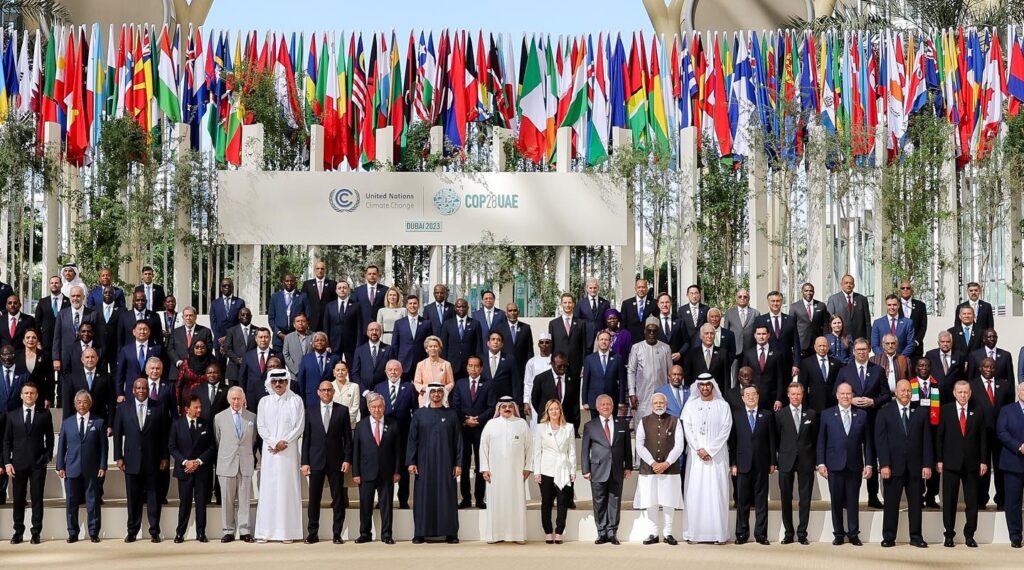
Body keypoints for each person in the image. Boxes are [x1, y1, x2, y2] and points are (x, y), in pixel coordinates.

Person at [875, 379, 933, 548]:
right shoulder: (885, 412)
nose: (906, 393)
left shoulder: (921, 412)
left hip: (915, 467)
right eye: (902, 390)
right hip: (893, 467)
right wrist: (884, 464)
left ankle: (916, 537)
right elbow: (881, 441)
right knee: (891, 504)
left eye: (908, 390)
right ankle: (888, 536)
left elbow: (926, 441)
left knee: (916, 505)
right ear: (896, 392)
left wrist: (927, 464)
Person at [817, 382, 874, 546]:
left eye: (848, 394)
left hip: (855, 465)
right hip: (834, 465)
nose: (845, 396)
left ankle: (854, 534)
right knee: (835, 501)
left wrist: (869, 464)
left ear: (852, 395)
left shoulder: (862, 415)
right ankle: (839, 534)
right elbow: (821, 440)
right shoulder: (827, 414)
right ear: (837, 395)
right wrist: (821, 463)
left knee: (852, 500)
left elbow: (868, 442)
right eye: (842, 394)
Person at [836, 338, 891, 508]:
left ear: (869, 351)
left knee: (871, 457)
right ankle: (845, 497)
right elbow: (835, 393)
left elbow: (887, 395)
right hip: (850, 419)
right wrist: (850, 400)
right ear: (853, 352)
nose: (861, 352)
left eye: (864, 349)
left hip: (873, 419)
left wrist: (873, 401)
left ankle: (872, 496)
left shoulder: (878, 370)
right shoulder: (845, 371)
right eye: (858, 350)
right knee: (848, 455)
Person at [113, 378, 169, 542]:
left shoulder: (158, 407)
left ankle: (154, 531)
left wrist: (165, 456)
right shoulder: (123, 408)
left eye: (144, 388)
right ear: (133, 390)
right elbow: (117, 434)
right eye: (138, 388)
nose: (141, 390)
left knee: (153, 497)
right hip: (131, 460)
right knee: (133, 498)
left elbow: (164, 435)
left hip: (153, 459)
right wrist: (118, 457)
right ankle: (132, 531)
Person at [407, 383, 463, 544]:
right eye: (433, 392)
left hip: (446, 464)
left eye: (439, 392)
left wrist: (458, 463)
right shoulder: (419, 414)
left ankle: (450, 533)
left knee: (447, 496)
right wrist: (411, 461)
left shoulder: (451, 414)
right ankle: (420, 533)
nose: (436, 394)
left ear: (443, 394)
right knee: (423, 497)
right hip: (424, 464)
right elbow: (412, 440)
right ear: (428, 394)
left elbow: (458, 441)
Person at [254, 370, 305, 543]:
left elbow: (299, 426)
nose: (278, 384)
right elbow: (261, 426)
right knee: (269, 491)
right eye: (274, 381)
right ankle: (264, 532)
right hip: (270, 453)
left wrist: (285, 442)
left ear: (287, 381)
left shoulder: (296, 400)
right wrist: (274, 443)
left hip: (289, 452)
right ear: (270, 383)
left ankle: (287, 532)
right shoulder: (264, 401)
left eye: (281, 381)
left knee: (287, 490)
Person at [681, 374, 732, 544]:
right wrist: (699, 449)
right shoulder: (690, 406)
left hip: (717, 457)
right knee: (695, 492)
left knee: (717, 493)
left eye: (708, 385)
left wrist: (710, 449)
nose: (704, 388)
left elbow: (726, 430)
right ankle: (694, 533)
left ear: (713, 386)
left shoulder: (723, 406)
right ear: (697, 387)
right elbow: (687, 429)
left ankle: (718, 534)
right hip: (696, 458)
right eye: (701, 385)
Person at [937, 380, 988, 548]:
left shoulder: (978, 410)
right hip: (950, 463)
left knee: (972, 501)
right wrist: (939, 460)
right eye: (960, 392)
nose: (963, 395)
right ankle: (949, 535)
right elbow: (939, 438)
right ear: (954, 393)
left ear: (970, 393)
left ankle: (969, 535)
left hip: (972, 464)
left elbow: (983, 439)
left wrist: (983, 461)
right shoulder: (945, 410)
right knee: (949, 501)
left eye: (966, 392)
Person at [301, 380, 353, 544]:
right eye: (323, 390)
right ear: (318, 392)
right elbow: (306, 439)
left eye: (329, 390)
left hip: (336, 461)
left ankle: (337, 533)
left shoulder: (342, 411)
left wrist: (347, 459)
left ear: (333, 392)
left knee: (338, 499)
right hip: (315, 461)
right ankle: (312, 533)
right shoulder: (310, 411)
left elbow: (347, 439)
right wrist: (305, 462)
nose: (326, 393)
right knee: (314, 499)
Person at [3, 382, 54, 544]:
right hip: (17, 464)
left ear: (37, 395)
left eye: (32, 393)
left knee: (37, 498)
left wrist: (47, 456)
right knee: (18, 499)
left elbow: (50, 439)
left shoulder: (44, 414)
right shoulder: (12, 415)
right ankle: (18, 531)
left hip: (38, 464)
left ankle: (36, 532)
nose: (29, 396)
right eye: (26, 393)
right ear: (21, 395)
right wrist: (7, 463)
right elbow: (6, 442)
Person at [56, 390, 107, 543]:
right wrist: (60, 466)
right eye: (79, 402)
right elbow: (61, 446)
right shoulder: (67, 423)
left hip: (92, 469)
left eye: (85, 402)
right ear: (74, 404)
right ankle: (73, 532)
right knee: (71, 502)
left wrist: (103, 465)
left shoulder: (98, 422)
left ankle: (93, 532)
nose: (82, 405)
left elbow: (104, 448)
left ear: (90, 404)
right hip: (71, 468)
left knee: (93, 502)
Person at [479, 396, 532, 544]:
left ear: (514, 407)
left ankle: (517, 535)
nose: (507, 409)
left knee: (516, 502)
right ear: (499, 408)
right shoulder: (491, 424)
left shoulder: (521, 424)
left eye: (510, 406)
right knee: (496, 502)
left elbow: (530, 448)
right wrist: (485, 469)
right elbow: (483, 448)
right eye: (504, 407)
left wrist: (528, 467)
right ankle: (495, 535)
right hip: (494, 473)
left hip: (516, 473)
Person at [634, 392, 684, 546]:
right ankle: (653, 533)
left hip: (670, 469)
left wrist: (666, 463)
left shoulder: (675, 421)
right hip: (649, 470)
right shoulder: (643, 421)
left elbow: (679, 445)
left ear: (666, 404)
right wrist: (652, 463)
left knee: (669, 501)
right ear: (651, 405)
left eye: (661, 402)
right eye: (655, 403)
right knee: (651, 500)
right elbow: (639, 445)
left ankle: (668, 533)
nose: (658, 405)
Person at [352, 392, 402, 544]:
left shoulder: (393, 424)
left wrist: (397, 471)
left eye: (380, 406)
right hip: (366, 473)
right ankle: (365, 533)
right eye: (373, 407)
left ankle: (386, 534)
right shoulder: (361, 425)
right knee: (365, 505)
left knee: (386, 506)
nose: (377, 410)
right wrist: (356, 473)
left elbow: (398, 450)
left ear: (384, 408)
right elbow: (356, 451)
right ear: (368, 408)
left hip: (387, 472)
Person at [730, 384, 776, 545]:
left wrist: (772, 462)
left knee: (761, 500)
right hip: (742, 465)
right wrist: (733, 463)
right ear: (742, 398)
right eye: (747, 395)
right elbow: (733, 441)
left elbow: (772, 440)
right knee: (742, 501)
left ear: (758, 396)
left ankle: (761, 534)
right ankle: (741, 533)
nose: (750, 397)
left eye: (753, 394)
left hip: (762, 464)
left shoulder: (767, 415)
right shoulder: (736, 415)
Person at [774, 382, 818, 545]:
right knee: (786, 498)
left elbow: (815, 439)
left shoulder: (811, 414)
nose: (796, 397)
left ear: (803, 394)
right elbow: (777, 438)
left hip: (806, 461)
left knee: (805, 498)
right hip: (786, 461)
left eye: (798, 394)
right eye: (793, 394)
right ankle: (788, 532)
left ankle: (802, 533)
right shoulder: (780, 415)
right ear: (788, 395)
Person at [168, 395, 215, 543]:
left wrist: (198, 462)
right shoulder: (177, 424)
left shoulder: (205, 424)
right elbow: (172, 447)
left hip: (201, 470)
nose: (199, 410)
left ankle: (201, 533)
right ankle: (180, 533)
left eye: (200, 407)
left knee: (201, 503)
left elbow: (211, 447)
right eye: (196, 407)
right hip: (184, 471)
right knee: (185, 502)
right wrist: (185, 462)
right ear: (187, 409)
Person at [969, 356, 1013, 510]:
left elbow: (1009, 410)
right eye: (985, 367)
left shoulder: (1005, 385)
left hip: (1001, 434)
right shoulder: (972, 385)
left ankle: (1001, 499)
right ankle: (981, 499)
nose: (988, 370)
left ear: (996, 369)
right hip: (981, 434)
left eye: (991, 367)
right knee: (982, 466)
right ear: (980, 368)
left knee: (1001, 467)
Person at [214, 387, 256, 543]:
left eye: (239, 399)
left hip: (245, 462)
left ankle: (245, 530)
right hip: (226, 463)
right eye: (233, 399)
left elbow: (253, 440)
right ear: (228, 399)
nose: (236, 402)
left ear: (244, 399)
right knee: (227, 500)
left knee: (245, 499)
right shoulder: (219, 417)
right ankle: (228, 531)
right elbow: (219, 439)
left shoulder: (252, 417)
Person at [451, 355, 493, 509]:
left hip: (481, 429)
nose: (473, 369)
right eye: (470, 366)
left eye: (476, 366)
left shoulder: (488, 384)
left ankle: (480, 498)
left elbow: (491, 406)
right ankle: (466, 498)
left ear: (481, 368)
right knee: (464, 462)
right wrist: (465, 420)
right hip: (464, 429)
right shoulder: (460, 384)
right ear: (467, 367)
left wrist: (478, 419)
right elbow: (455, 406)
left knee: (481, 463)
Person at [374, 360, 418, 509]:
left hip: (405, 433)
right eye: (390, 370)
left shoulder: (409, 387)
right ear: (386, 372)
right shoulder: (378, 387)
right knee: (383, 466)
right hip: (384, 433)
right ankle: (382, 500)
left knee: (404, 467)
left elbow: (415, 410)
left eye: (396, 369)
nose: (393, 372)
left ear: (401, 371)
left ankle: (403, 499)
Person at [532, 399, 576, 544]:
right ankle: (548, 531)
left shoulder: (568, 427)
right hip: (546, 469)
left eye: (556, 408)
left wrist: (573, 470)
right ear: (547, 411)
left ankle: (559, 532)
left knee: (563, 502)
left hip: (563, 468)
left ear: (560, 411)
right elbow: (537, 451)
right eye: (551, 409)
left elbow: (572, 451)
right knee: (546, 502)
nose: (554, 411)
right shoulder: (540, 428)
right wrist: (536, 471)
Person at [996, 382, 1024, 548]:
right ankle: (1015, 536)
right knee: (1013, 503)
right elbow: (1001, 432)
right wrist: (1018, 446)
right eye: (1022, 389)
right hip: (1013, 463)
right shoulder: (1007, 410)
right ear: (1018, 391)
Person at [627, 316, 672, 418]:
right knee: (641, 424)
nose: (651, 333)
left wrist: (670, 393)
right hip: (642, 394)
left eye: (654, 331)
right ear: (645, 331)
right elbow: (631, 371)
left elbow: (670, 372)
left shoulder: (665, 348)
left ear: (658, 332)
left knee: (661, 423)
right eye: (649, 330)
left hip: (661, 393)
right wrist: (631, 393)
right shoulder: (636, 348)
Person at [51, 285, 96, 377]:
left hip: (87, 358)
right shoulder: (61, 314)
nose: (75, 298)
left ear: (83, 297)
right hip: (66, 358)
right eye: (73, 296)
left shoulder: (93, 314)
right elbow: (57, 338)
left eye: (78, 296)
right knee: (64, 386)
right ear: (70, 297)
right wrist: (56, 358)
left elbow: (97, 337)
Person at [739, 324, 786, 411]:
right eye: (759, 334)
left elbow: (780, 378)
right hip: (753, 397)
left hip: (772, 398)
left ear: (768, 335)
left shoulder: (777, 354)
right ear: (755, 335)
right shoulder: (748, 354)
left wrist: (779, 399)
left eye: (763, 334)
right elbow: (744, 377)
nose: (761, 336)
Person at [113, 320, 162, 402]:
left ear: (149, 332)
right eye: (140, 329)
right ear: (134, 332)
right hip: (131, 391)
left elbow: (161, 371)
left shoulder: (157, 349)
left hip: (150, 391)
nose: (142, 332)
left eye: (145, 329)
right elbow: (120, 373)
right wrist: (120, 393)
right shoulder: (126, 350)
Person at [532, 353, 580, 434]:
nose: (562, 368)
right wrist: (547, 413)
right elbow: (535, 400)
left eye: (565, 366)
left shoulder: (573, 379)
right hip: (546, 423)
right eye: (559, 366)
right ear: (552, 364)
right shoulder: (541, 379)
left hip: (566, 423)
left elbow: (575, 403)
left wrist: (575, 425)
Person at [582, 330, 625, 414]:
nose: (604, 342)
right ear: (598, 341)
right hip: (594, 402)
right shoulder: (589, 359)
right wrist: (584, 401)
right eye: (601, 339)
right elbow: (585, 381)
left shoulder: (617, 358)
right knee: (596, 426)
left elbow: (622, 382)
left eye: (606, 339)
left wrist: (621, 401)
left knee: (611, 426)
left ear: (610, 341)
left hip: (612, 401)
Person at [393, 295, 432, 382]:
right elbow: (395, 345)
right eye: (410, 303)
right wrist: (396, 361)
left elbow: (429, 344)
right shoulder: (399, 323)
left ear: (418, 305)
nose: (412, 305)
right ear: (406, 306)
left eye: (415, 303)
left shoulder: (426, 323)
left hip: (421, 362)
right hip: (403, 362)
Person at [438, 298, 480, 379]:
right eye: (459, 306)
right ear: (455, 308)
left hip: (469, 365)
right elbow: (444, 346)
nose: (461, 309)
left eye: (464, 307)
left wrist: (477, 362)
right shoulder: (447, 324)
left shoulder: (475, 323)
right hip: (452, 364)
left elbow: (478, 345)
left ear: (467, 308)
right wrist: (443, 363)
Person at [351, 322, 393, 403]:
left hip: (383, 394)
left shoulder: (388, 349)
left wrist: (382, 389)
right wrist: (365, 392)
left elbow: (391, 372)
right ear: (367, 333)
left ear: (381, 332)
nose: (374, 332)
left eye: (377, 330)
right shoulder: (359, 350)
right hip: (364, 395)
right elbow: (355, 373)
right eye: (371, 330)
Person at [799, 336, 841, 413]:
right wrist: (804, 407)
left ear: (828, 347)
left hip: (832, 406)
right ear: (815, 347)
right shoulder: (806, 363)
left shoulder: (836, 363)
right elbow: (802, 386)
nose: (822, 348)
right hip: (813, 407)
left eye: (824, 345)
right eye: (820, 346)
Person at [296, 331, 339, 406]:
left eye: (322, 340)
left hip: (330, 398)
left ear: (327, 343)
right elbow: (301, 380)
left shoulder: (334, 358)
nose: (319, 342)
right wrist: (302, 399)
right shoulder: (306, 359)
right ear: (313, 344)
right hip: (311, 399)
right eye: (317, 340)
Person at [549, 293, 586, 378]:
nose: (567, 305)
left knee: (574, 390)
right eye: (565, 303)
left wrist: (584, 365)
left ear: (573, 304)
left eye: (569, 302)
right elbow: (551, 346)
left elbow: (583, 345)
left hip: (576, 365)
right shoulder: (553, 324)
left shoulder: (581, 323)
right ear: (561, 304)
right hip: (559, 364)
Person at [166, 306, 214, 372]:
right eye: (186, 316)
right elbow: (170, 349)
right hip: (178, 370)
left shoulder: (205, 331)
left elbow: (209, 349)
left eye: (191, 315)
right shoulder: (175, 332)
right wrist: (178, 362)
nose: (188, 318)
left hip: (198, 370)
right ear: (183, 317)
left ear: (195, 317)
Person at [481, 332, 521, 409]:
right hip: (484, 401)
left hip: (504, 401)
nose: (496, 342)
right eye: (493, 339)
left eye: (498, 340)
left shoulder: (510, 359)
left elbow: (515, 382)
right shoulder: (481, 358)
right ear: (488, 343)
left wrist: (516, 401)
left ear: (502, 344)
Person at [825, 274, 871, 342]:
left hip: (859, 340)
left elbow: (867, 322)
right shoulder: (833, 299)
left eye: (851, 283)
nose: (848, 285)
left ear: (854, 285)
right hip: (840, 339)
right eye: (846, 283)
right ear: (841, 284)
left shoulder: (862, 299)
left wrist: (868, 340)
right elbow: (829, 321)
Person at [683, 323, 729, 389]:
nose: (709, 336)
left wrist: (726, 396)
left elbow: (726, 378)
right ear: (701, 336)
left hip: (717, 394)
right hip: (698, 393)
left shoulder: (722, 353)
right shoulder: (692, 354)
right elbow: (688, 378)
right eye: (706, 333)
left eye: (712, 333)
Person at [413, 335, 455, 405]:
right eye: (430, 346)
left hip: (441, 399)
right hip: (425, 399)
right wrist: (426, 389)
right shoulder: (420, 364)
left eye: (435, 346)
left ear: (439, 349)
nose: (433, 348)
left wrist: (441, 390)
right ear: (426, 349)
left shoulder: (446, 364)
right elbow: (417, 383)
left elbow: (451, 383)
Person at [791, 282, 829, 359]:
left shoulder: (821, 305)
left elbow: (826, 324)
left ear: (813, 292)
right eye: (806, 291)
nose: (809, 293)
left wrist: (825, 339)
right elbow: (792, 326)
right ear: (802, 292)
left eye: (811, 291)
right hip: (802, 344)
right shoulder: (794, 307)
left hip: (817, 343)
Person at [17, 330, 54, 408]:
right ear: (23, 341)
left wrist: (48, 398)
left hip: (39, 396)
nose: (31, 340)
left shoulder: (44, 356)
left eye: (34, 337)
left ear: (37, 340)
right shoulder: (17, 356)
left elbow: (50, 379)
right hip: (20, 397)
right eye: (28, 337)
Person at [325, 281, 359, 365]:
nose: (342, 290)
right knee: (333, 368)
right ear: (336, 291)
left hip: (351, 344)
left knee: (353, 369)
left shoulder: (356, 305)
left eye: (344, 288)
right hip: (334, 344)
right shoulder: (329, 306)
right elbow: (326, 325)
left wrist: (358, 345)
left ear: (348, 290)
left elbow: (359, 326)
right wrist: (327, 344)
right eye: (339, 288)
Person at [175, 340, 214, 413]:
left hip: (206, 399)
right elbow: (178, 385)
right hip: (188, 399)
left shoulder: (212, 362)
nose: (200, 349)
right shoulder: (186, 363)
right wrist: (177, 403)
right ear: (193, 348)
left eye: (202, 347)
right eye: (197, 347)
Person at [496, 302, 533, 379]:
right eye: (510, 311)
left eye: (514, 310)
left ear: (518, 312)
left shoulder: (526, 328)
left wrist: (530, 365)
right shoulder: (500, 328)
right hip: (505, 366)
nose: (512, 313)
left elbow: (529, 349)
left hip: (521, 367)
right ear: (506, 313)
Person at [353, 265, 389, 343]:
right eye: (369, 274)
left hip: (379, 330)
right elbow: (353, 310)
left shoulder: (385, 290)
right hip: (362, 330)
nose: (372, 276)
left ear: (378, 275)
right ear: (366, 275)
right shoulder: (358, 291)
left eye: (374, 274)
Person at [724, 289, 760, 367]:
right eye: (740, 296)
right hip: (735, 351)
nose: (742, 298)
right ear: (736, 299)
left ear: (748, 299)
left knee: (750, 376)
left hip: (751, 350)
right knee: (735, 377)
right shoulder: (729, 313)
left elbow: (758, 332)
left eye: (745, 296)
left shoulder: (756, 313)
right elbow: (726, 334)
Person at [523, 334, 554, 422]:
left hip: (552, 398)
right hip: (535, 398)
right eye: (541, 342)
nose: (544, 344)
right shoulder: (531, 362)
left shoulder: (555, 361)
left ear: (551, 344)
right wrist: (526, 402)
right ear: (538, 344)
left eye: (547, 342)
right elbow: (527, 383)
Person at [575, 277, 610, 353]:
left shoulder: (605, 303)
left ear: (598, 288)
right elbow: (576, 321)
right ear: (587, 289)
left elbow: (607, 321)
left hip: (601, 339)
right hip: (586, 339)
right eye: (590, 288)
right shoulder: (580, 303)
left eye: (595, 288)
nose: (593, 290)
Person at [209, 278, 246, 349]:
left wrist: (229, 337)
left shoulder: (240, 302)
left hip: (235, 341)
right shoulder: (215, 303)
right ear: (220, 288)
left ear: (232, 288)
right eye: (224, 286)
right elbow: (213, 323)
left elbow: (241, 322)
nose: (227, 287)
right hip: (219, 342)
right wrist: (221, 339)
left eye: (229, 286)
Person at [222, 307, 257, 383]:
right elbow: (227, 348)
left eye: (248, 315)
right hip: (235, 370)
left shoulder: (257, 330)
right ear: (238, 316)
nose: (245, 317)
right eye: (243, 315)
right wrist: (237, 360)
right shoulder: (231, 331)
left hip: (251, 370)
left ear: (251, 316)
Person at [301, 260, 337, 332]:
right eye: (318, 268)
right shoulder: (307, 284)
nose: (320, 271)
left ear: (325, 270)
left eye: (322, 269)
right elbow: (303, 303)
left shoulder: (332, 284)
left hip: (327, 321)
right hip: (311, 322)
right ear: (314, 270)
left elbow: (335, 302)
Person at [898, 280, 928, 360]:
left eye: (908, 288)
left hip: (916, 348)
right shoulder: (895, 305)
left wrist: (916, 341)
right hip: (899, 348)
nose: (905, 290)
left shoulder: (920, 305)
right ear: (899, 290)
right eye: (903, 288)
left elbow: (923, 326)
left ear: (912, 290)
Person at [620, 278, 654, 345]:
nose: (641, 290)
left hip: (649, 341)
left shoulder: (654, 303)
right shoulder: (626, 304)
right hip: (631, 342)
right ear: (635, 289)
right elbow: (623, 324)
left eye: (643, 287)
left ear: (647, 289)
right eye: (639, 287)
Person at [472, 290, 506, 354]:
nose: (488, 300)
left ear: (494, 300)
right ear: (482, 301)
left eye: (490, 298)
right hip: (482, 349)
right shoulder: (476, 314)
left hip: (498, 349)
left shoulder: (501, 314)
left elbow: (504, 332)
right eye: (486, 298)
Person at [330, 361, 361, 429]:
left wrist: (345, 422)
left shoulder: (354, 386)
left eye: (343, 370)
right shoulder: (329, 386)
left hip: (349, 426)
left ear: (347, 371)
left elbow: (355, 408)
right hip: (332, 426)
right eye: (338, 370)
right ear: (334, 372)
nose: (340, 372)